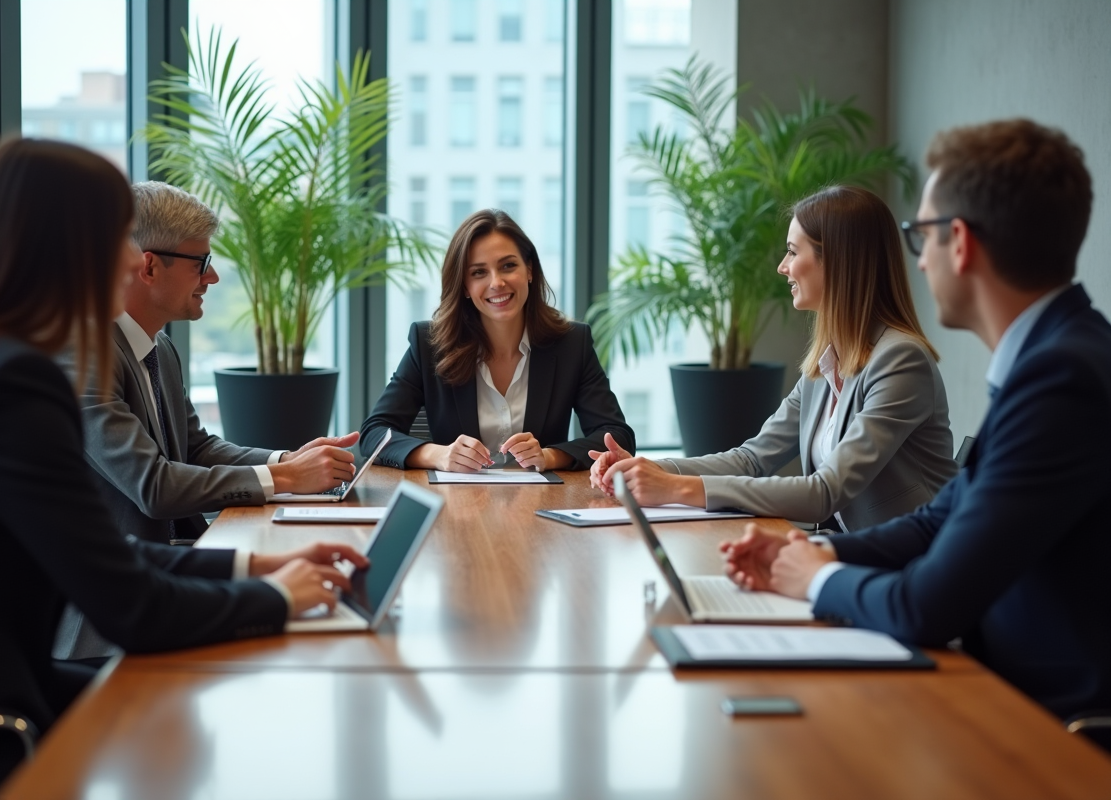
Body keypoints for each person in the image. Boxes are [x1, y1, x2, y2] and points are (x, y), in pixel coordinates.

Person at [0, 139, 368, 799]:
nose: (132, 260)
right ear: (64, 249)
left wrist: (254, 565)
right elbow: (128, 604)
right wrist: (277, 598)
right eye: (114, 238)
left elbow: (99, 552)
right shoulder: (13, 384)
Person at [720, 119, 1111, 730]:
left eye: (920, 236)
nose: (919, 261)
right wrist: (810, 549)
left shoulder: (1062, 378)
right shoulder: (1054, 357)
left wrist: (819, 579)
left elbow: (925, 606)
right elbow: (938, 520)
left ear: (960, 243)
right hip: (1001, 692)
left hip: (1043, 725)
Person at [591, 185, 956, 532]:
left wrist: (675, 488)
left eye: (793, 252)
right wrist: (650, 468)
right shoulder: (826, 364)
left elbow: (825, 493)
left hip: (913, 563)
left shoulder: (900, 361)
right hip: (855, 552)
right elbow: (752, 459)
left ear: (838, 262)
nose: (783, 266)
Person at [59, 181, 358, 549]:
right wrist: (287, 477)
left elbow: (196, 449)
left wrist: (286, 460)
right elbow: (153, 487)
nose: (212, 276)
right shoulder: (84, 355)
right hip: (127, 576)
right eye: (200, 263)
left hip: (182, 556)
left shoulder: (160, 348)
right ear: (149, 267)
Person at [361, 209, 634, 472]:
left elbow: (617, 437)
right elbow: (374, 433)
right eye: (479, 272)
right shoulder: (429, 345)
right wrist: (439, 455)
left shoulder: (571, 344)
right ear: (465, 286)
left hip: (544, 500)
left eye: (508, 266)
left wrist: (550, 456)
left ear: (529, 270)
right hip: (455, 500)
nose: (497, 283)